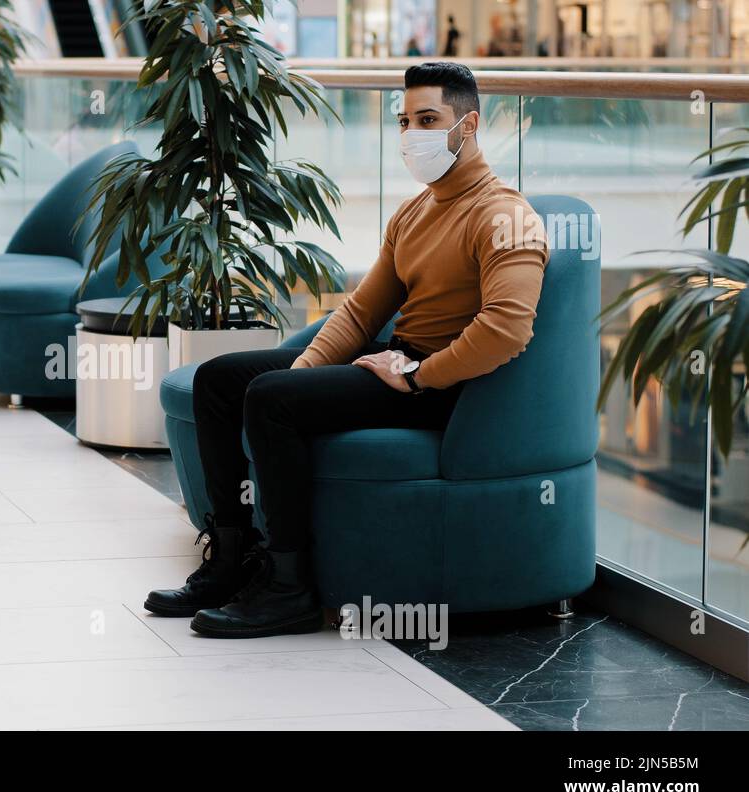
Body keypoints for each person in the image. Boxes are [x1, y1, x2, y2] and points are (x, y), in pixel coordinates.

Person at [144, 62, 548, 639]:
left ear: (470, 125)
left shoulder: (505, 215)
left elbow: (508, 329)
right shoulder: (415, 211)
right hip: (397, 362)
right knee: (222, 379)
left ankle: (289, 586)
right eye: (406, 121)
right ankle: (232, 558)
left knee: (272, 399)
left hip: (441, 387)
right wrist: (305, 373)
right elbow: (360, 313)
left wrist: (416, 377)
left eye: (429, 119)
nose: (413, 135)